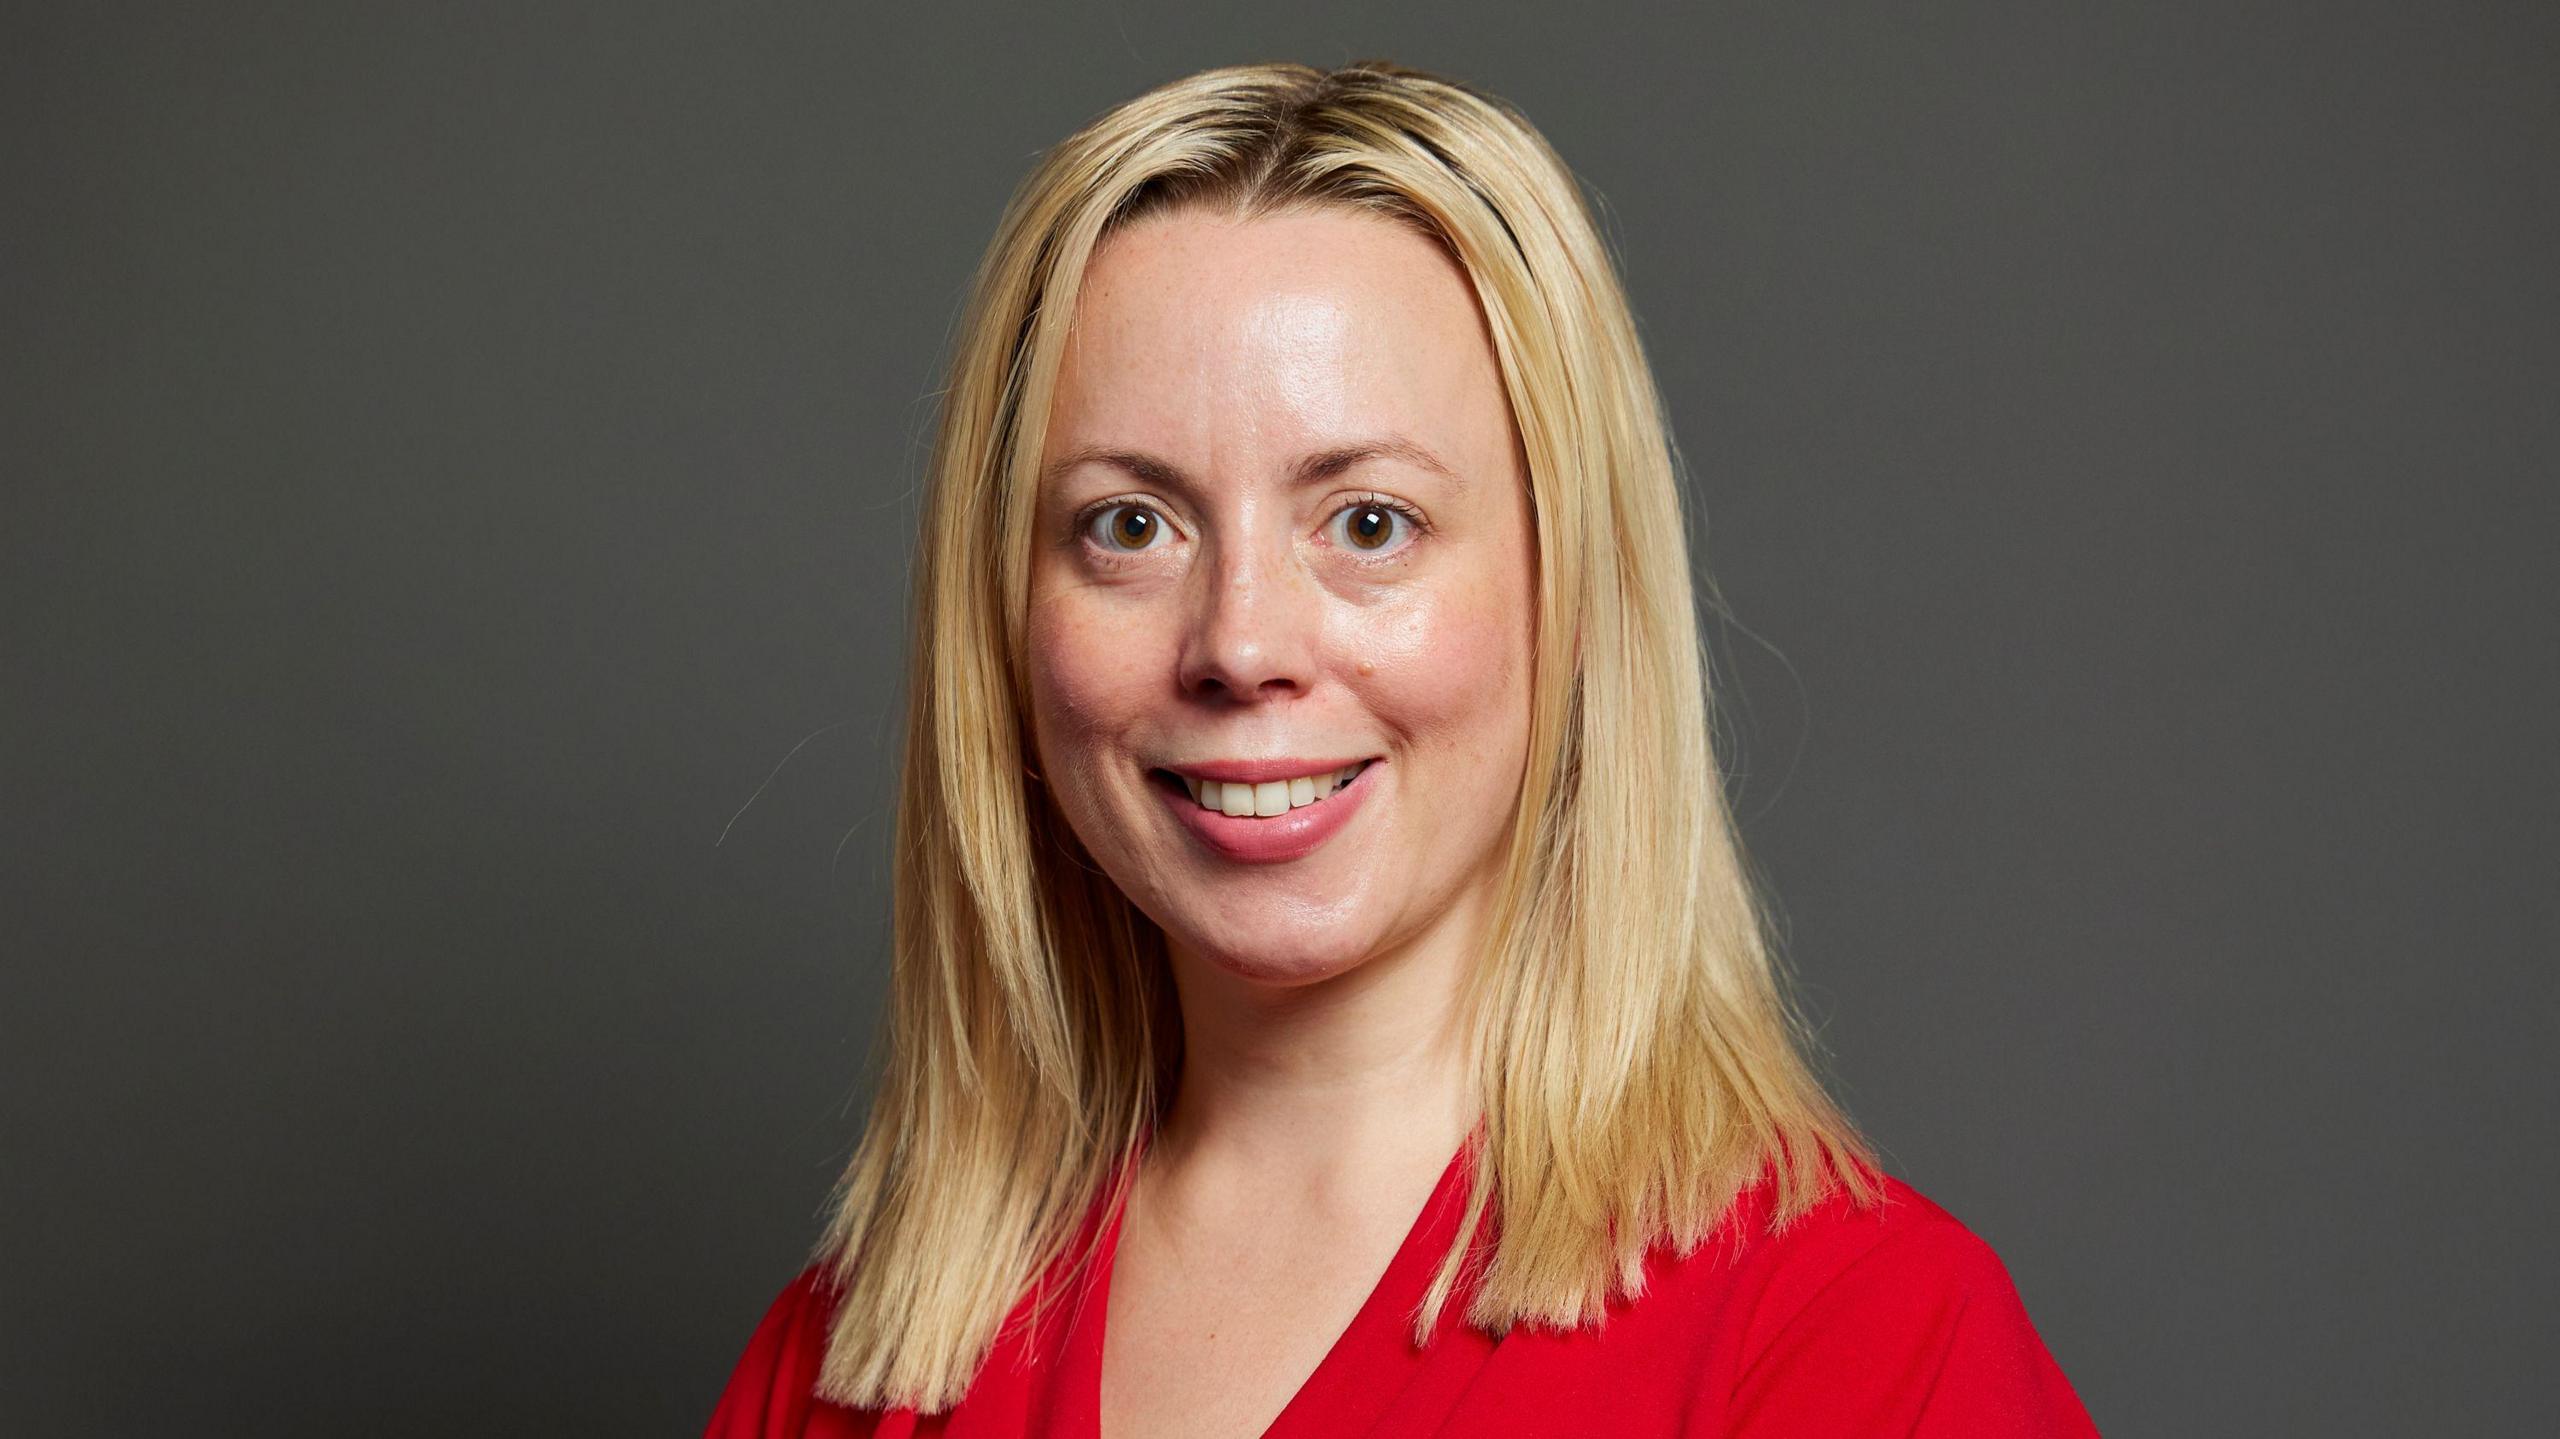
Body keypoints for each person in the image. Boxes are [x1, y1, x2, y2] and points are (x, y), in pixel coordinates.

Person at [706, 59, 2099, 1438]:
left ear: (1573, 593)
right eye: (1131, 525)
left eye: (1370, 523)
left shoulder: (1864, 1347)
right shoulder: (841, 1373)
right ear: (1006, 618)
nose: (1241, 642)